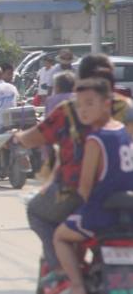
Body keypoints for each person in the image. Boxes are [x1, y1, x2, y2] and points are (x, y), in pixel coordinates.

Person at [13, 54, 133, 286]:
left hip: (77, 195)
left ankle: (62, 273)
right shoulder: (126, 109)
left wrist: (18, 138)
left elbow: (34, 138)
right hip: (125, 195)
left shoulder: (70, 109)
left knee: (37, 212)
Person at [53, 77, 133, 294]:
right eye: (79, 104)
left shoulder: (96, 139)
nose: (83, 110)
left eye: (90, 103)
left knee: (60, 236)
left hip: (102, 214)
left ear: (106, 104)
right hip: (128, 212)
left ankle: (77, 285)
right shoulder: (122, 132)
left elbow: (85, 188)